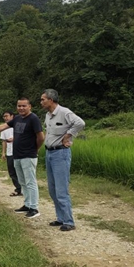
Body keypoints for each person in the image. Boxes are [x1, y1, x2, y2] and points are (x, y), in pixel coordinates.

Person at [0, 98, 44, 218]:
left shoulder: (33, 119)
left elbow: (40, 137)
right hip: (17, 155)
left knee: (30, 181)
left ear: (30, 107)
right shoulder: (17, 119)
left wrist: (35, 149)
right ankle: (27, 204)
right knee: (22, 181)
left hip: (28, 155)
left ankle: (34, 207)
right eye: (19, 106)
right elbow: (2, 127)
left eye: (24, 106)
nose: (21, 108)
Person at [40, 89, 85, 232]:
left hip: (61, 153)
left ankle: (69, 221)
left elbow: (80, 123)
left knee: (61, 189)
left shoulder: (64, 112)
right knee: (52, 189)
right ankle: (60, 218)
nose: (41, 102)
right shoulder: (48, 115)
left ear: (51, 100)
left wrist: (69, 135)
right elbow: (48, 132)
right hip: (49, 153)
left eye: (43, 99)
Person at [0, 111, 22, 197]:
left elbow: (22, 136)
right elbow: (3, 141)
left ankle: (23, 188)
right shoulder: (3, 128)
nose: (5, 118)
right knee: (12, 172)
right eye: (4, 116)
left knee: (20, 171)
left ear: (12, 116)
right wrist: (3, 153)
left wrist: (14, 138)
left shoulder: (17, 125)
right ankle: (18, 188)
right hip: (9, 153)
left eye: (7, 116)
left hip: (19, 151)